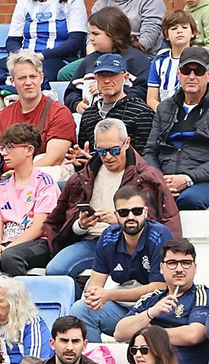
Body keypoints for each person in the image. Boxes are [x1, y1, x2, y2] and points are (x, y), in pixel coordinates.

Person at [36, 117, 177, 280]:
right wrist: (80, 225)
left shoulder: (148, 176)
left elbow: (168, 221)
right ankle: (85, 301)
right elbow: (56, 220)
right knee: (55, 270)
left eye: (114, 150)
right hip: (92, 240)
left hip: (135, 243)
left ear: (127, 143)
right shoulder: (82, 177)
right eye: (101, 151)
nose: (108, 156)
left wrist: (119, 221)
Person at [65, 185, 173, 342]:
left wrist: (108, 295)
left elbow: (160, 287)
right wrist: (92, 296)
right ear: (116, 215)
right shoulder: (108, 237)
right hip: (124, 310)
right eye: (124, 212)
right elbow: (95, 283)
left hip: (156, 312)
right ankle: (97, 362)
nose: (131, 217)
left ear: (145, 212)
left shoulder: (160, 235)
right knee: (81, 309)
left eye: (136, 211)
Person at [145, 46, 209, 210]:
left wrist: (188, 178)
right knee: (136, 198)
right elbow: (150, 151)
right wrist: (161, 179)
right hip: (165, 180)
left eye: (198, 71)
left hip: (208, 182)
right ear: (178, 73)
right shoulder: (165, 107)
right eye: (186, 70)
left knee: (189, 199)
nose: (191, 76)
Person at [112, 238, 209, 364]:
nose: (179, 269)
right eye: (172, 263)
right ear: (161, 268)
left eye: (186, 263)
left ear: (195, 268)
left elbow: (193, 335)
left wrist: (149, 332)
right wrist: (151, 312)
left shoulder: (202, 294)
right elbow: (120, 333)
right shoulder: (151, 298)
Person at [0, 123, 60, 277]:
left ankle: (19, 300)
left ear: (29, 150)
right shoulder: (1, 187)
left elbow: (39, 227)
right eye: (2, 148)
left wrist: (9, 248)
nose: (4, 153)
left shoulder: (45, 183)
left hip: (37, 243)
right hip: (4, 244)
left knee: (10, 257)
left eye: (10, 147)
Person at [0, 52, 77, 176]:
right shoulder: (0, 117)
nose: (28, 82)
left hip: (44, 179)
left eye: (33, 76)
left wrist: (16, 176)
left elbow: (54, 158)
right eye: (21, 78)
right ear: (12, 81)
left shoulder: (59, 113)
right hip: (7, 183)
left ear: (41, 78)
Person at [5, 0, 89, 81]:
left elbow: (75, 41)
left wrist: (41, 56)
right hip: (26, 58)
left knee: (40, 75)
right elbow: (12, 41)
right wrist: (22, 56)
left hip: (58, 60)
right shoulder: (24, 0)